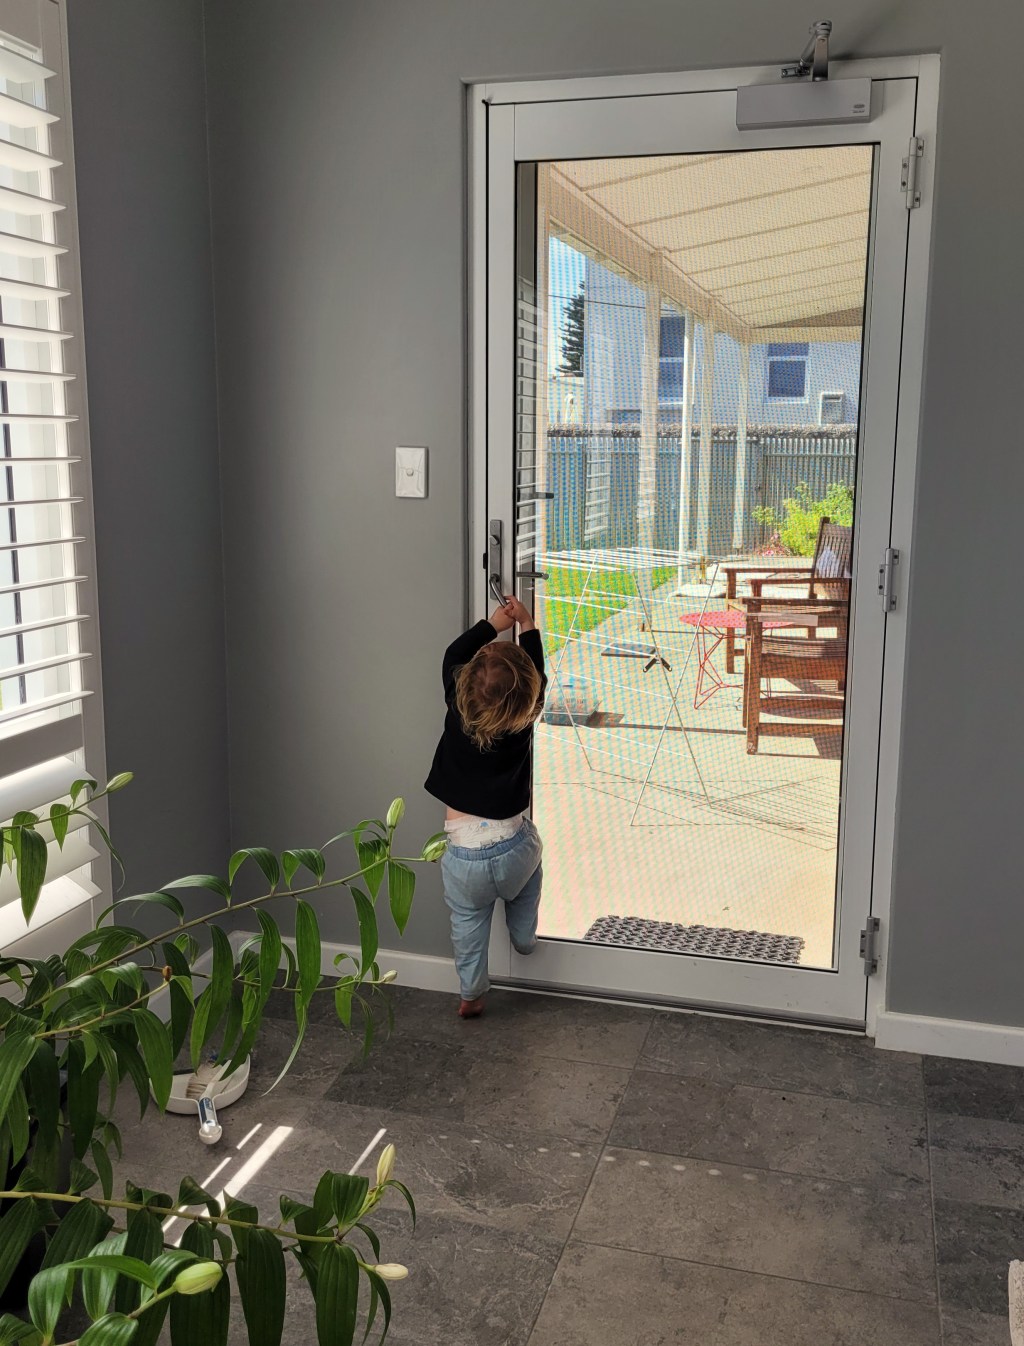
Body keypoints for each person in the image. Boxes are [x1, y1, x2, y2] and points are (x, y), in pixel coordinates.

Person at [425, 596, 546, 1018]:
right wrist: (526, 624)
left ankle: (472, 994)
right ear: (529, 698)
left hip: (464, 860)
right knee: (529, 877)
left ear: (463, 686)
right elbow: (537, 674)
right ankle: (524, 937)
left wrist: (493, 625)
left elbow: (453, 653)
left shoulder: (458, 707)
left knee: (467, 926)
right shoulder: (525, 719)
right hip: (515, 848)